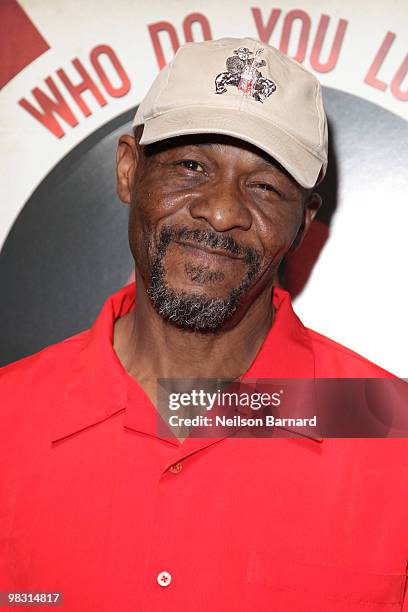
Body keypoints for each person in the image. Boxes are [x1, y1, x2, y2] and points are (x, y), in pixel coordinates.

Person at [1, 37, 407, 612]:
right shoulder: (7, 419)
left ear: (303, 222)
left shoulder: (393, 437)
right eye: (191, 166)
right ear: (127, 170)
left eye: (265, 186)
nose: (222, 211)